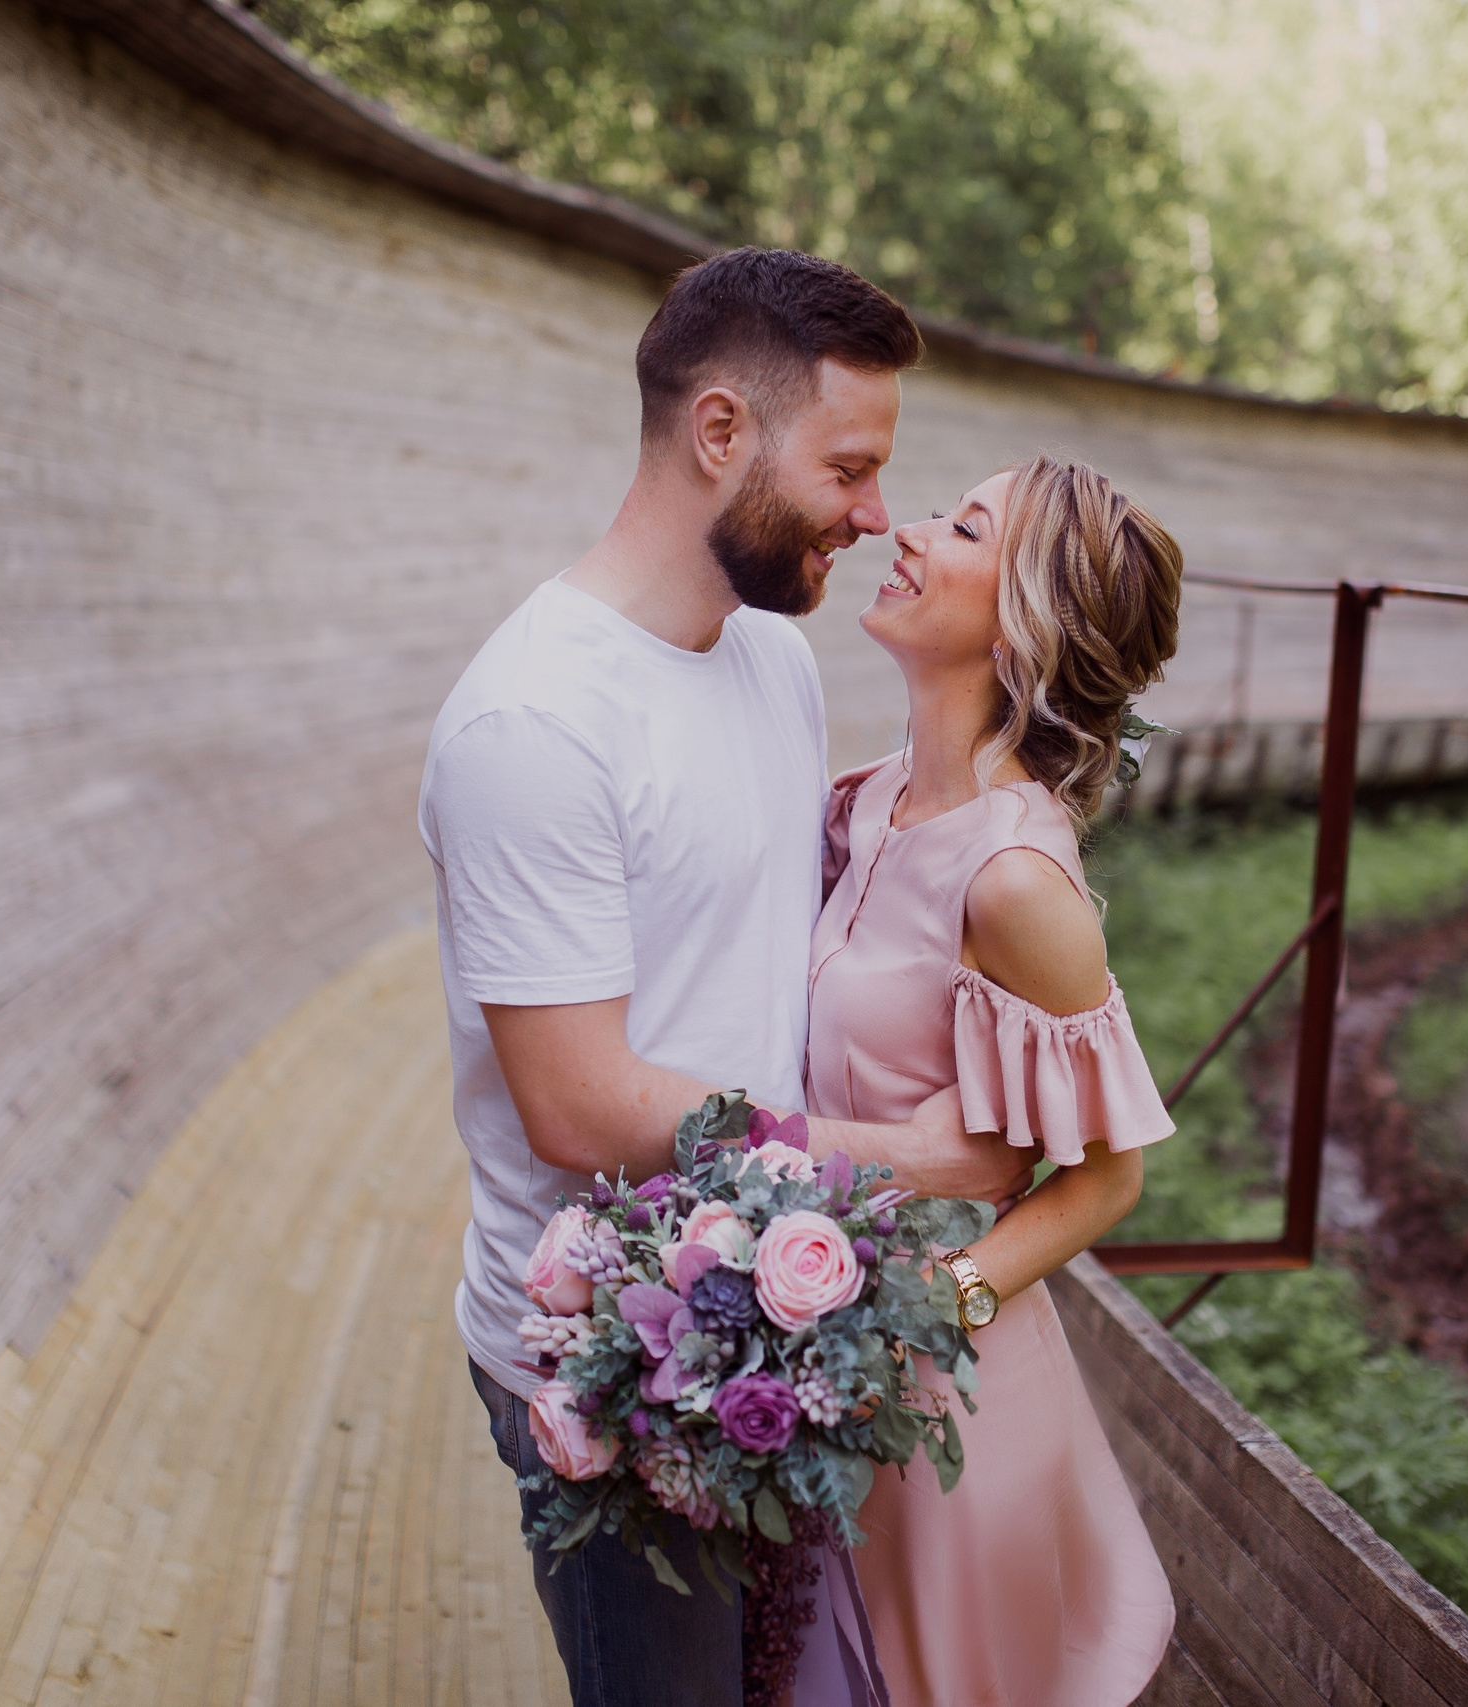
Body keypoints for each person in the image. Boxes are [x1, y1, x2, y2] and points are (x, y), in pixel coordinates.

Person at [418, 249, 1038, 1707]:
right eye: (851, 466)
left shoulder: (772, 656)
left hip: (771, 1333)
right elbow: (577, 1104)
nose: (877, 511)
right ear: (719, 433)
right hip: (603, 1375)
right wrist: (918, 1157)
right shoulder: (535, 724)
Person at [806, 455, 1184, 1705]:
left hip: (938, 1411)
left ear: (1022, 621)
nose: (905, 531)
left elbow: (1105, 1177)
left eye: (962, 526)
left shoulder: (1017, 881)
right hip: (810, 1353)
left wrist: (935, 1309)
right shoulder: (860, 804)